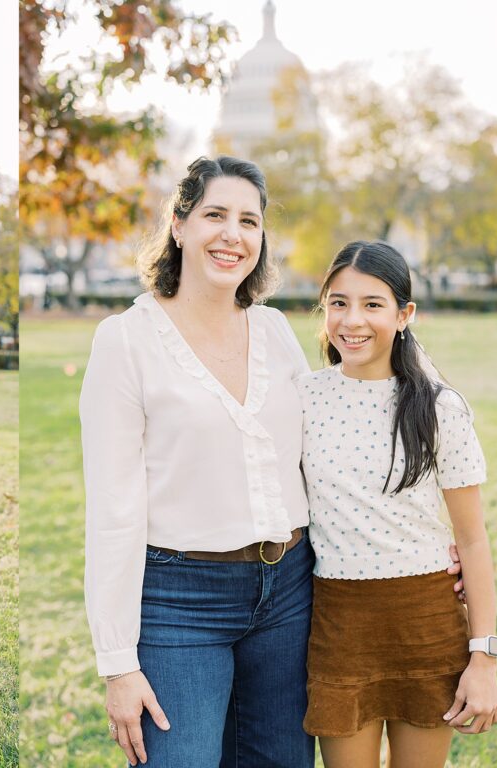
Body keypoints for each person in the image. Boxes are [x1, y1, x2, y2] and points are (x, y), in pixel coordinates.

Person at [81, 155, 316, 767]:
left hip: (290, 591)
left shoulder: (275, 331)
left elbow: (326, 461)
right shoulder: (125, 341)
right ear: (179, 224)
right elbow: (113, 508)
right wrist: (118, 665)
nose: (232, 235)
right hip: (178, 602)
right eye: (215, 214)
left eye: (249, 221)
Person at [298, 241, 497, 766]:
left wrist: (484, 656)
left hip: (425, 622)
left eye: (373, 303)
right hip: (340, 623)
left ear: (404, 314)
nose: (352, 320)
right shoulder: (302, 397)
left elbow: (473, 539)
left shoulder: (439, 408)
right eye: (339, 302)